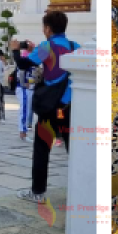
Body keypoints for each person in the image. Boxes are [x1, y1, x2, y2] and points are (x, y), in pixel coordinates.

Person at [10, 11, 78, 204]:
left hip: (50, 107)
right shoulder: (75, 46)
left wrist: (15, 49)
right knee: (73, 148)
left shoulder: (46, 46)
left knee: (41, 149)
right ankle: (80, 189)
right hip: (69, 105)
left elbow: (24, 64)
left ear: (47, 28)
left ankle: (38, 192)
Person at [15, 41, 37, 142]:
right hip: (24, 88)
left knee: (27, 110)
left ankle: (24, 131)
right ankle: (23, 133)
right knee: (24, 110)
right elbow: (21, 72)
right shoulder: (24, 58)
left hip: (30, 88)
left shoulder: (33, 57)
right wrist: (25, 83)